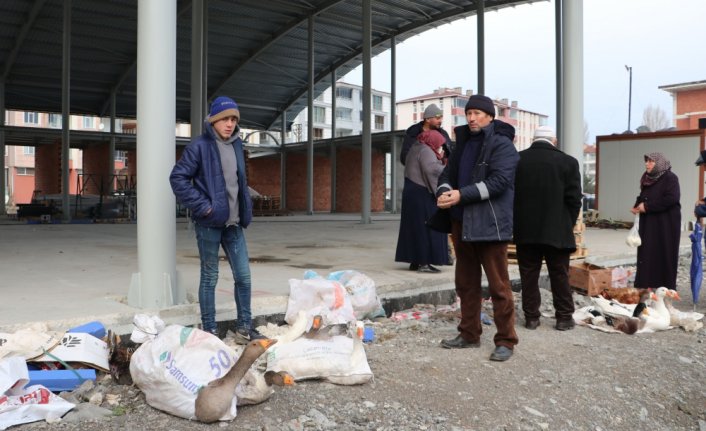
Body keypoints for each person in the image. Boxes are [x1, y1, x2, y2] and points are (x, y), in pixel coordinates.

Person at [170, 96, 264, 344]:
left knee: (243, 276)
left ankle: (245, 327)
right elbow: (178, 178)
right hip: (210, 224)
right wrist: (204, 207)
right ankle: (210, 331)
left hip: (233, 224)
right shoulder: (199, 146)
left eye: (233, 119)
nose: (229, 124)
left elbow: (237, 182)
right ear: (213, 120)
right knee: (209, 278)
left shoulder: (237, 146)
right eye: (225, 119)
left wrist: (246, 209)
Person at [435, 94, 519, 362]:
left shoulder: (502, 145)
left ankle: (506, 340)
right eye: (468, 113)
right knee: (466, 284)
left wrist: (462, 195)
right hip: (462, 223)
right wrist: (445, 191)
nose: (471, 118)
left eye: (477, 114)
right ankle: (469, 334)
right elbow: (447, 175)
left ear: (490, 116)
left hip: (490, 225)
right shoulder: (461, 144)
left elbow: (500, 182)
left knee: (498, 286)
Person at [513, 126, 582, 331]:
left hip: (526, 230)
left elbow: (511, 195)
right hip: (557, 230)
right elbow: (574, 200)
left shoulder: (517, 160)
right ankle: (563, 318)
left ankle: (531, 318)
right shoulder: (568, 162)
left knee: (529, 275)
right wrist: (565, 224)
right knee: (559, 274)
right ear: (554, 140)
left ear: (534, 139)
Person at [395, 129, 449, 273]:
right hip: (422, 192)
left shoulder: (416, 147)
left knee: (414, 227)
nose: (439, 147)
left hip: (412, 191)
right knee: (427, 226)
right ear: (432, 141)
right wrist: (445, 168)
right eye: (439, 144)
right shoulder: (426, 151)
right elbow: (431, 171)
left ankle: (415, 261)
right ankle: (424, 262)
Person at [631, 152, 681, 290]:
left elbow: (672, 198)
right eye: (646, 161)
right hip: (649, 223)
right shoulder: (647, 178)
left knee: (664, 252)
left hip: (665, 225)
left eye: (651, 161)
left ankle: (665, 287)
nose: (647, 164)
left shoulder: (670, 178)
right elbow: (644, 195)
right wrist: (637, 205)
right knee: (647, 252)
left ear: (659, 163)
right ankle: (646, 286)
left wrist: (646, 207)